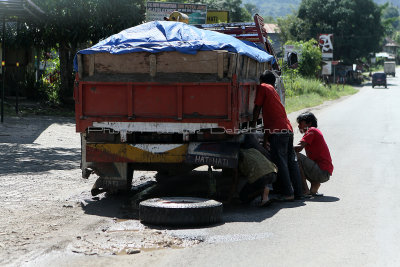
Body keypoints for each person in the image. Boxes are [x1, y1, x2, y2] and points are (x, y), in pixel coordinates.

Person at [250, 70, 303, 201]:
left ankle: (287, 193)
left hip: (278, 132)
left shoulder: (263, 87)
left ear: (262, 80)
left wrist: (251, 126)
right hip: (287, 129)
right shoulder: (273, 90)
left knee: (281, 162)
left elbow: (257, 108)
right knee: (291, 161)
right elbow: (271, 116)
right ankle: (298, 192)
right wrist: (266, 139)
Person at [294, 112, 333, 196]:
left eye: (300, 123)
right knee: (298, 159)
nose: (298, 126)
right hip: (324, 172)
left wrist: (281, 147)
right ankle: (314, 185)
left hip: (322, 172)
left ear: (309, 123)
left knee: (296, 156)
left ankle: (305, 189)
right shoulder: (312, 132)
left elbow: (298, 148)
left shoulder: (311, 131)